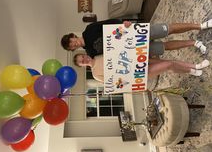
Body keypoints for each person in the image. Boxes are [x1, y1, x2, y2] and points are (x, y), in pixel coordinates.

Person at [61, 19, 212, 58]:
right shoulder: (90, 53)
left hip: (134, 33)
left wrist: (123, 23)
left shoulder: (88, 30)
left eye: (71, 41)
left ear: (73, 37)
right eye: (71, 47)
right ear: (73, 49)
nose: (74, 44)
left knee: (166, 29)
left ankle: (199, 25)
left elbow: (108, 23)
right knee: (164, 47)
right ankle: (194, 42)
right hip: (133, 50)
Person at [73, 53, 210, 83]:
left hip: (138, 58)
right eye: (82, 62)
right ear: (83, 66)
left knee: (168, 62)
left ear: (85, 54)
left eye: (83, 57)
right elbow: (116, 83)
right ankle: (195, 66)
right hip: (137, 73)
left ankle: (192, 69)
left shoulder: (99, 54)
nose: (85, 59)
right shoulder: (96, 75)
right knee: (168, 65)